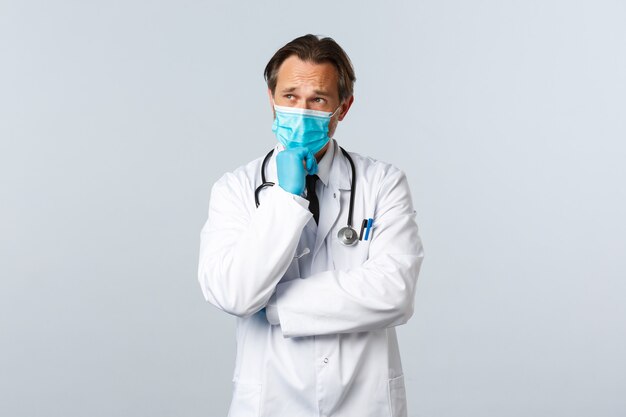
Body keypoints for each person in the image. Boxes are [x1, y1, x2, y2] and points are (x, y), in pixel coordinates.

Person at [198, 34, 424, 417]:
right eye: (289, 96)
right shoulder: (235, 188)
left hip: (363, 400)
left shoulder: (382, 183)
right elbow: (234, 294)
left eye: (317, 99)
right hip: (270, 400)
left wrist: (272, 304)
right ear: (271, 99)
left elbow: (395, 292)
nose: (301, 111)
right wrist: (286, 198)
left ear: (343, 107)